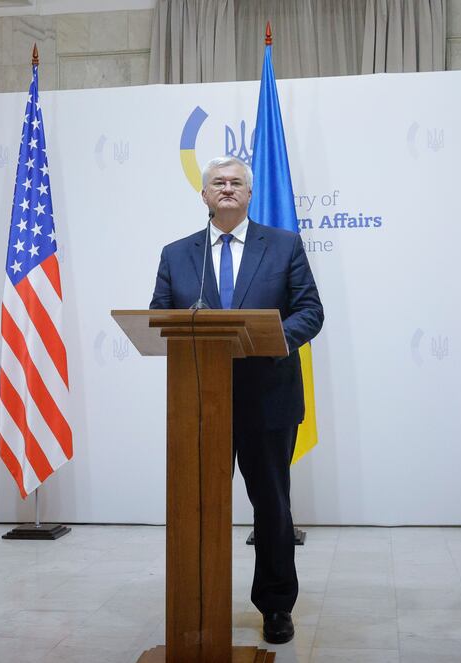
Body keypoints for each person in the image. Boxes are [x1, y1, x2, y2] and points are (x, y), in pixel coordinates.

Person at [150, 156, 324, 644]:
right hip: (198, 401)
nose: (227, 189)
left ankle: (275, 605)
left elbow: (311, 310)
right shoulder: (177, 254)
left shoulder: (284, 245)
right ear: (203, 195)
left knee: (271, 507)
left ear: (249, 195)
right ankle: (198, 600)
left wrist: (271, 339)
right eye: (217, 183)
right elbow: (158, 315)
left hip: (268, 397)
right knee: (197, 506)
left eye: (236, 183)